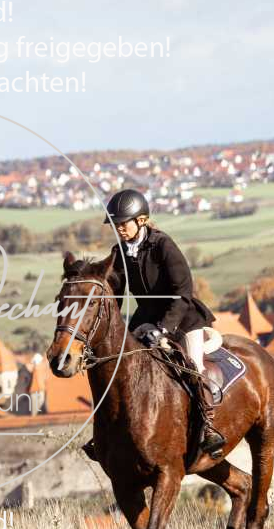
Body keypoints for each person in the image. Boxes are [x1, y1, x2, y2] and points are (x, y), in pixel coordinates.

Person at [93, 188, 225, 459]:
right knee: (118, 364)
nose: (119, 229)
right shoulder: (119, 252)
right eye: (115, 225)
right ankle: (107, 430)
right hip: (146, 318)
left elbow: (183, 291)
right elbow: (115, 293)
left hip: (183, 316)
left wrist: (163, 328)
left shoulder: (162, 245)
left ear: (141, 220)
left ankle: (209, 427)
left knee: (193, 367)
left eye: (123, 223)